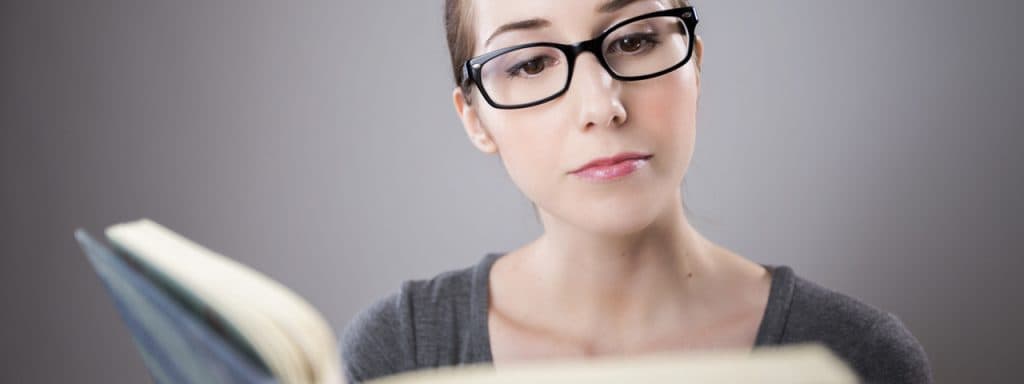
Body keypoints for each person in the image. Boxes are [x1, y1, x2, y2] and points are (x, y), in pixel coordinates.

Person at [342, 1, 931, 383]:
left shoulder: (859, 357)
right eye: (528, 65)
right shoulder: (402, 351)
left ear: (694, 65)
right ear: (474, 120)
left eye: (633, 41)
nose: (603, 106)